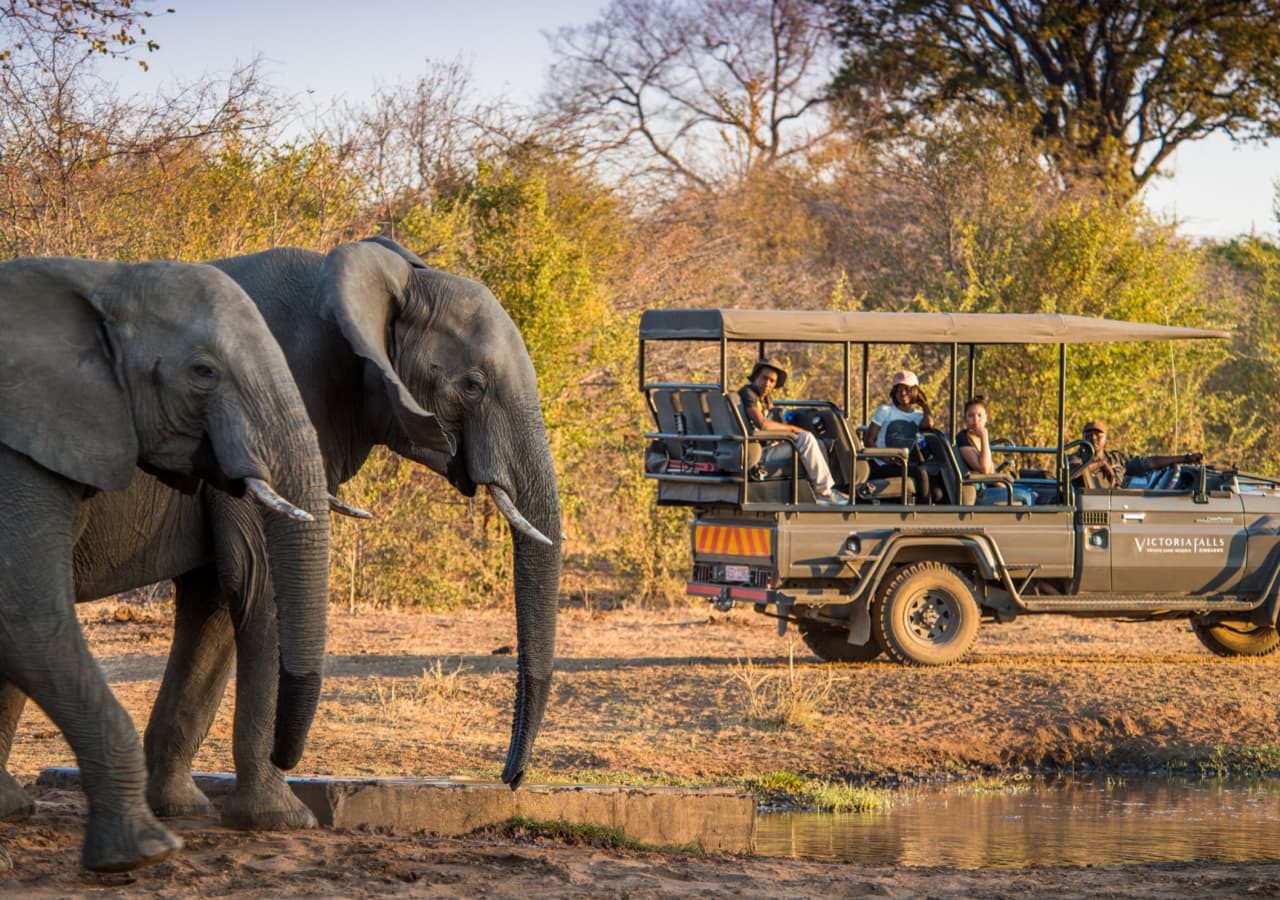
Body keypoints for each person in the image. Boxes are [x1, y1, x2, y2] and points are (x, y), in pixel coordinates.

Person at [738, 358, 848, 505]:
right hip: (759, 452)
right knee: (806, 439)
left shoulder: (763, 398)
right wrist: (793, 429)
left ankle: (826, 488)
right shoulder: (748, 394)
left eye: (772, 381)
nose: (767, 383)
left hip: (767, 445)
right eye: (764, 378)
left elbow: (770, 419)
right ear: (756, 376)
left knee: (819, 444)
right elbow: (763, 424)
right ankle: (824, 493)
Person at [1069, 420, 1204, 490]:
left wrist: (1185, 458)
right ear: (1082, 438)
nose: (1093, 438)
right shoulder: (1076, 458)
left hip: (1117, 507)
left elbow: (1149, 463)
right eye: (1088, 434)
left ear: (1106, 438)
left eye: (1098, 434)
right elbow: (1071, 473)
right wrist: (1100, 465)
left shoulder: (1117, 458)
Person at [863, 370, 932, 502]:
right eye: (898, 389)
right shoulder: (885, 411)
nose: (902, 393)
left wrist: (924, 404)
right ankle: (925, 514)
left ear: (915, 391)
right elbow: (869, 441)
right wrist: (887, 458)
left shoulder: (918, 416)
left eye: (907, 389)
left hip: (903, 463)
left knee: (931, 476)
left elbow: (929, 423)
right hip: (881, 464)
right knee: (920, 473)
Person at [954, 396, 1034, 506]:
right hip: (979, 492)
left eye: (979, 416)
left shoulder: (978, 439)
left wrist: (1001, 483)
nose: (975, 420)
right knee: (1027, 496)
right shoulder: (963, 439)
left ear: (986, 418)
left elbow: (990, 472)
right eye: (970, 416)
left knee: (1029, 490)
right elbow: (985, 469)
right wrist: (984, 436)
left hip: (987, 484)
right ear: (965, 419)